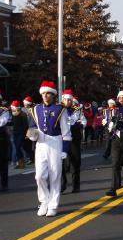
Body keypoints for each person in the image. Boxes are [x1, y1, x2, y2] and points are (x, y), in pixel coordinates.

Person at [26, 81, 72, 217]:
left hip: (55, 143)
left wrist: (65, 150)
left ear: (53, 95)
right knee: (39, 176)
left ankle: (53, 205)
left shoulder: (60, 110)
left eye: (48, 94)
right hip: (41, 144)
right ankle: (44, 201)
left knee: (55, 175)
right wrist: (32, 134)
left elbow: (66, 132)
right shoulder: (36, 109)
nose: (45, 96)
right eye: (43, 93)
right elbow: (33, 125)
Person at [61, 90, 85, 193]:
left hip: (74, 139)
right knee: (61, 163)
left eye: (70, 100)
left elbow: (83, 121)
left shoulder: (77, 110)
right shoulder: (59, 110)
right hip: (62, 140)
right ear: (63, 100)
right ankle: (63, 183)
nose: (68, 102)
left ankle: (76, 186)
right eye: (66, 100)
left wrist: (79, 125)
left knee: (76, 163)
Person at [10, 100, 29, 169]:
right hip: (15, 133)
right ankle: (21, 162)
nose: (11, 109)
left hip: (22, 133)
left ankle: (22, 162)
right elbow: (12, 123)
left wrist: (26, 134)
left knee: (19, 147)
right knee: (19, 148)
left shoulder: (23, 114)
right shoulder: (13, 114)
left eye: (12, 108)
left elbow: (26, 125)